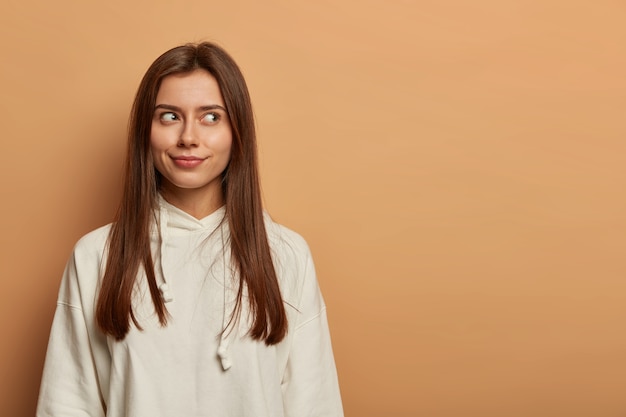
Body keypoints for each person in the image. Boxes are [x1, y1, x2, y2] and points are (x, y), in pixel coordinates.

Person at [36, 42, 344, 417]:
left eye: (211, 117)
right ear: (145, 132)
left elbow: (315, 403)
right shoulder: (96, 256)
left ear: (237, 131)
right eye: (169, 116)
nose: (189, 137)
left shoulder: (287, 255)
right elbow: (66, 403)